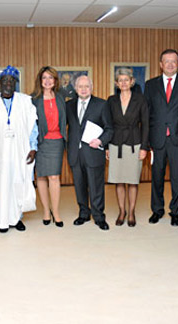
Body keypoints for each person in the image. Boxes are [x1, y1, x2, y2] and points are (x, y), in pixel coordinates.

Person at [0, 65, 38, 233]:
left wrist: (33, 148)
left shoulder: (25, 101)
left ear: (16, 83)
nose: (8, 84)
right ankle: (1, 219)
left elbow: (33, 126)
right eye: (5, 81)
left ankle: (17, 217)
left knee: (18, 182)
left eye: (11, 81)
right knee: (0, 184)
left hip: (20, 150)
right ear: (0, 82)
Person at [145, 49, 178, 226]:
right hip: (157, 139)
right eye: (166, 61)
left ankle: (176, 211)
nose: (169, 64)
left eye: (173, 61)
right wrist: (147, 139)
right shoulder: (151, 85)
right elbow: (147, 113)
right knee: (157, 177)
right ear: (160, 64)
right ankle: (157, 210)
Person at [66, 75, 113, 230]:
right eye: (80, 86)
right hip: (75, 153)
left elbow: (109, 129)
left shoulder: (102, 104)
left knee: (96, 186)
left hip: (93, 152)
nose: (84, 89)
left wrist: (100, 141)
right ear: (75, 88)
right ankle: (84, 214)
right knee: (79, 186)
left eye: (87, 86)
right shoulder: (69, 105)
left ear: (92, 88)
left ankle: (99, 217)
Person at [106, 68, 149, 227]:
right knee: (118, 181)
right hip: (116, 143)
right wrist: (106, 147)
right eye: (120, 80)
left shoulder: (140, 99)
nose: (123, 83)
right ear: (117, 83)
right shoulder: (111, 100)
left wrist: (144, 147)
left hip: (134, 144)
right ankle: (121, 211)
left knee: (132, 181)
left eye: (126, 80)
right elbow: (108, 125)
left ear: (132, 82)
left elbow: (145, 125)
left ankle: (131, 212)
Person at [31, 66, 66, 227]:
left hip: (57, 141)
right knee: (41, 177)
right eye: (44, 78)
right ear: (40, 80)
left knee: (54, 176)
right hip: (40, 142)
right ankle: (46, 210)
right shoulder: (33, 99)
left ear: (55, 81)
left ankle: (56, 212)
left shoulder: (60, 97)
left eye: (50, 78)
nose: (47, 81)